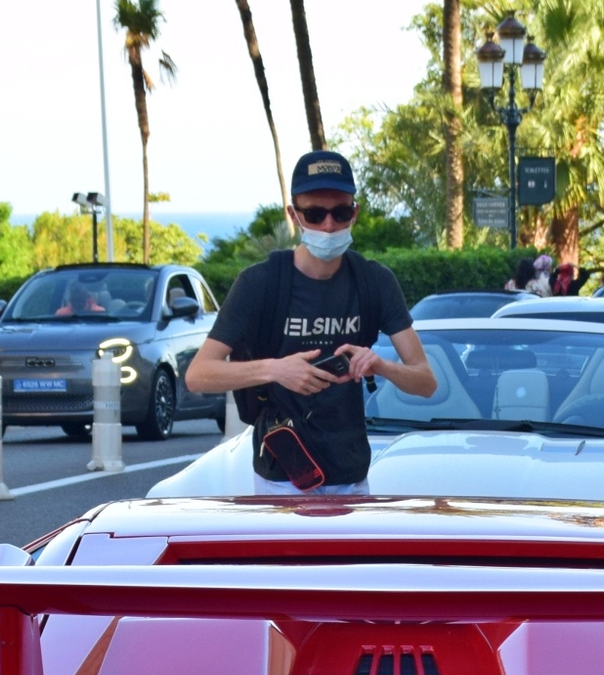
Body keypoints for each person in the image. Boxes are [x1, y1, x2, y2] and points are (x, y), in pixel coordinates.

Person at [186, 148, 438, 494]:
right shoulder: (260, 283)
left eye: (341, 212)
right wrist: (276, 370)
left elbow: (426, 382)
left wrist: (380, 365)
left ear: (355, 212)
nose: (329, 225)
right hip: (281, 476)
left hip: (350, 477)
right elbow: (199, 374)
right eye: (315, 214)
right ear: (294, 214)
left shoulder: (373, 281)